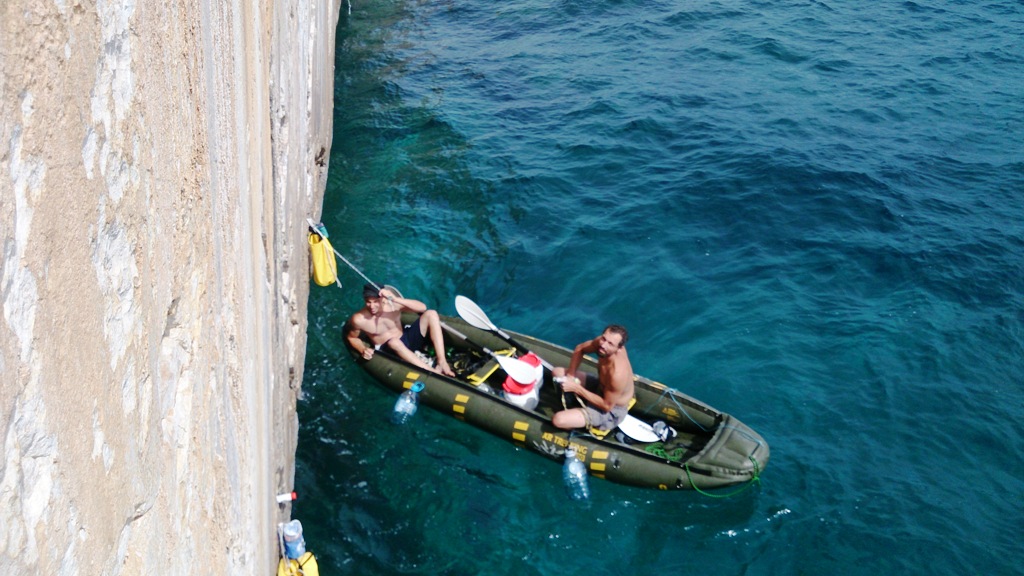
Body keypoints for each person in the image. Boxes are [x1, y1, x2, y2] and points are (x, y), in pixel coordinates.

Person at [346, 283, 455, 377]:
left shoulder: (393, 305)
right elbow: (351, 337)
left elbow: (422, 308)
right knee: (394, 342)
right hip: (390, 350)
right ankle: (433, 373)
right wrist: (362, 349)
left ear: (383, 299)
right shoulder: (359, 319)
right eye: (368, 302)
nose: (372, 306)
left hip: (407, 340)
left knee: (431, 314)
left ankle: (442, 361)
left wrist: (396, 299)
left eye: (376, 301)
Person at [551, 325, 634, 431]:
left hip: (611, 409)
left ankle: (578, 422)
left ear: (619, 348)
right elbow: (580, 349)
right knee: (557, 372)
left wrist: (576, 388)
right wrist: (571, 376)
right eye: (604, 338)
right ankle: (574, 406)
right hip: (601, 387)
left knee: (558, 420)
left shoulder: (617, 374)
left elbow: (607, 406)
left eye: (610, 344)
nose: (603, 345)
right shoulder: (602, 344)